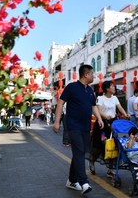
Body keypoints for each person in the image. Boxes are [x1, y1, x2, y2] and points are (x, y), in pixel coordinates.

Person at [53, 64, 104, 195]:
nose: (94, 76)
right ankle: (84, 182)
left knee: (79, 153)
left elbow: (93, 106)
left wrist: (99, 118)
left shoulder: (90, 91)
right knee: (80, 151)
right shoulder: (72, 87)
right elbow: (60, 102)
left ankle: (71, 180)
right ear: (86, 75)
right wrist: (57, 122)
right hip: (73, 125)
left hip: (86, 126)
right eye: (92, 73)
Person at [89, 80, 129, 177]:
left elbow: (120, 108)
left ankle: (110, 169)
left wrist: (125, 114)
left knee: (114, 145)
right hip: (102, 124)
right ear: (107, 88)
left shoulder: (115, 98)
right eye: (112, 86)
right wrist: (106, 116)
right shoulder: (100, 98)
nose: (114, 88)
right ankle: (92, 161)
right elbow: (98, 110)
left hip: (114, 123)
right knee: (101, 145)